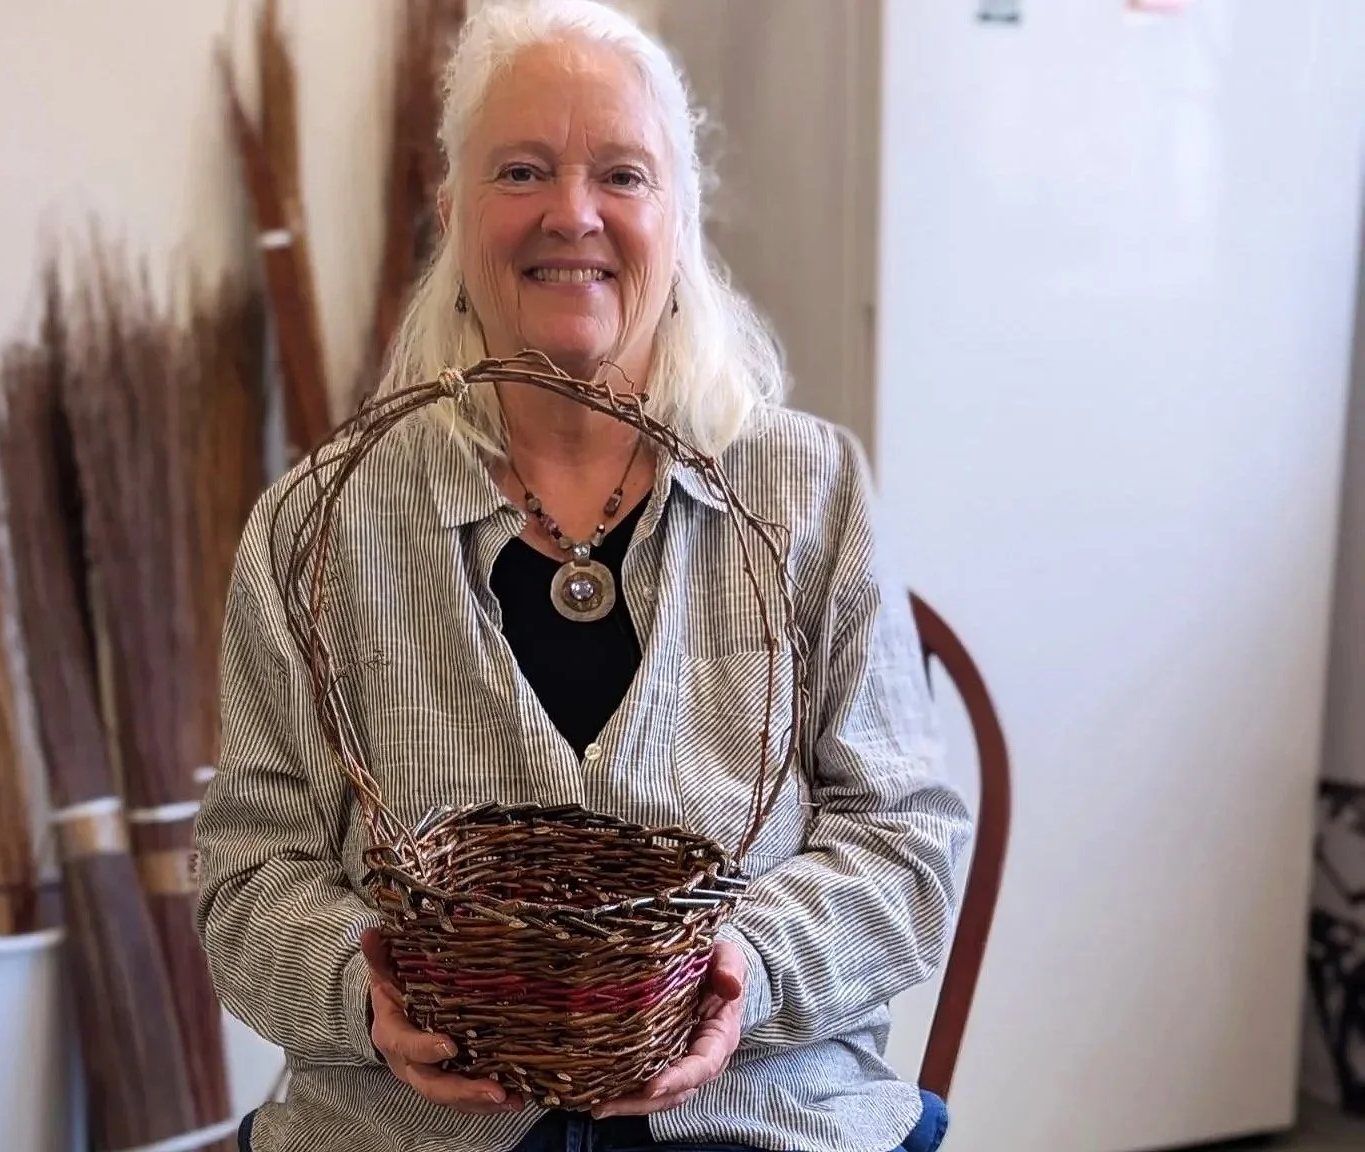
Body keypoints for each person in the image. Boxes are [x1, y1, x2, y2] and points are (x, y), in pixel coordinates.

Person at [194, 2, 972, 1150]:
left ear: (679, 216)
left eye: (623, 174)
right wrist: (367, 995)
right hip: (406, 1125)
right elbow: (246, 878)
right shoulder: (319, 528)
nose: (575, 214)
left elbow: (903, 848)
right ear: (453, 213)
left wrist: (742, 971)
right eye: (522, 171)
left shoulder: (810, 496)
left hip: (755, 1117)